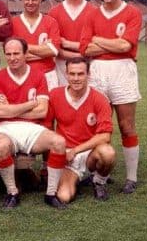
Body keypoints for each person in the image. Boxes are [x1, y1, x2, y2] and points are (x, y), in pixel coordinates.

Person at [80, 0, 143, 194]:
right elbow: (85, 48)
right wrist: (112, 43)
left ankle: (131, 177)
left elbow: (126, 46)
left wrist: (98, 40)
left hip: (123, 70)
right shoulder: (92, 15)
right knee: (97, 125)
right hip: (97, 70)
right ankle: (97, 174)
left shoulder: (132, 13)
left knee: (126, 126)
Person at [0, 38, 67, 209]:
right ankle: (12, 193)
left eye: (17, 53)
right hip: (6, 127)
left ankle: (50, 193)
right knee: (1, 145)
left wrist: (12, 109)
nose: (12, 58)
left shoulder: (38, 76)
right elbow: (0, 113)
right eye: (8, 54)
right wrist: (30, 104)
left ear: (26, 54)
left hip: (33, 128)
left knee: (59, 142)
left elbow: (42, 111)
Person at [47, 57, 116, 203]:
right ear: (66, 74)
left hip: (88, 153)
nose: (76, 78)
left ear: (88, 75)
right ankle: (77, 179)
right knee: (64, 197)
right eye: (72, 74)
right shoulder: (55, 95)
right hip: (66, 155)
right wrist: (57, 154)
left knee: (107, 152)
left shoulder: (99, 99)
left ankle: (99, 181)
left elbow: (105, 136)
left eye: (80, 74)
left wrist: (76, 150)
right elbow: (47, 128)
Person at [48, 0, 97, 86]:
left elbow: (96, 45)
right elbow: (54, 48)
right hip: (62, 67)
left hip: (88, 66)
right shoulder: (53, 13)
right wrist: (79, 56)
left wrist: (81, 56)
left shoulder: (95, 11)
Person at [11, 0, 61, 90]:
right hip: (22, 75)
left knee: (50, 107)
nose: (30, 2)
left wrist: (23, 48)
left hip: (48, 75)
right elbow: (13, 55)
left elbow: (54, 51)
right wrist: (43, 51)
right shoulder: (13, 23)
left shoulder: (51, 22)